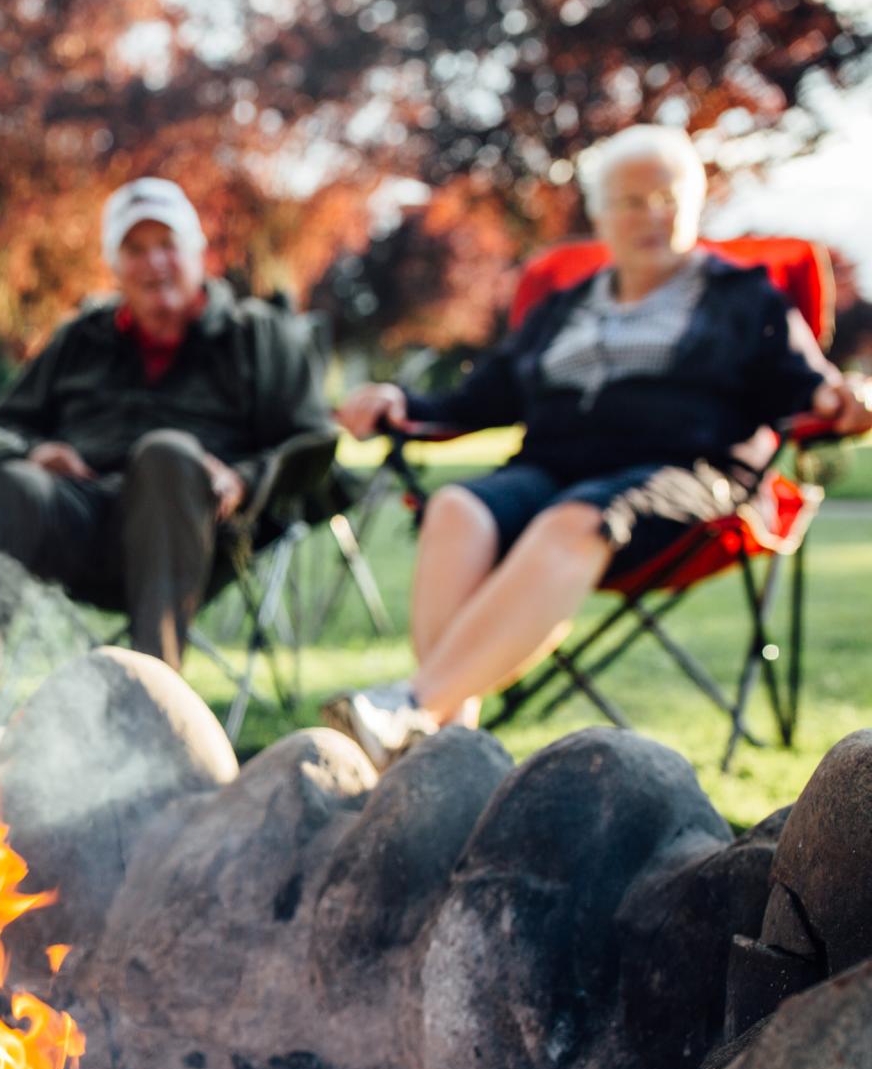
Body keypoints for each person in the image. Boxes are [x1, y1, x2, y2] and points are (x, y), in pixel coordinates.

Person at [329, 125, 870, 767]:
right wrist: (402, 404)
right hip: (552, 464)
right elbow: (483, 399)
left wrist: (850, 399)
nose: (652, 215)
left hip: (684, 474)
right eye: (631, 202)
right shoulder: (565, 306)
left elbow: (808, 387)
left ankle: (414, 709)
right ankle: (446, 745)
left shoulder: (743, 298)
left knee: (577, 520)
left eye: (668, 198)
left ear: (694, 205)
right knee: (456, 508)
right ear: (601, 215)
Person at [0, 177, 335, 682]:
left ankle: (149, 699)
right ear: (116, 265)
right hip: (84, 522)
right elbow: (0, 425)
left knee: (167, 453)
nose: (154, 263)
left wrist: (245, 480)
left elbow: (312, 442)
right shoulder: (82, 337)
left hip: (198, 530)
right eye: (136, 249)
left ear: (198, 252)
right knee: (15, 485)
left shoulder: (255, 335)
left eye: (167, 245)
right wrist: (37, 451)